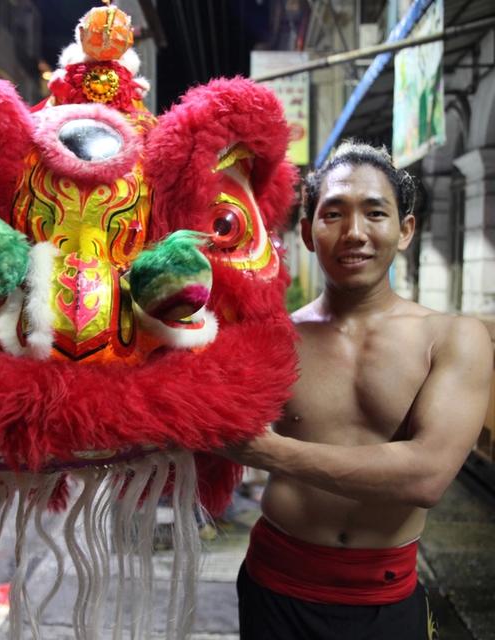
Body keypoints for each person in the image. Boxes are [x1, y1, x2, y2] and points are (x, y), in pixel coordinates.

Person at [223, 141, 493, 639]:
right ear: (308, 232)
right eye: (333, 214)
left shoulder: (454, 338)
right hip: (274, 583)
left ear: (405, 230)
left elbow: (426, 476)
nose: (354, 232)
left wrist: (268, 451)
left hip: (383, 596)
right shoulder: (272, 337)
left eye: (375, 213)